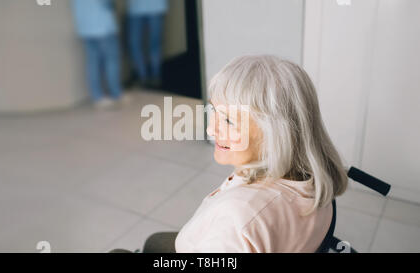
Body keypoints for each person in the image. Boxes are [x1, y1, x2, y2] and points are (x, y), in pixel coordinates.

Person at [110, 54, 348, 253]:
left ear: (277, 133)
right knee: (155, 242)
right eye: (214, 110)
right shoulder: (316, 173)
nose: (210, 129)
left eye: (228, 120)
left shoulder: (238, 221)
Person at [72, 0, 124, 108]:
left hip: (85, 27)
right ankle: (116, 94)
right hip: (102, 26)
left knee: (92, 63)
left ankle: (97, 97)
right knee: (111, 60)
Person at [127, 0, 168, 89]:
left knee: (154, 43)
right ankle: (143, 77)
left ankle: (155, 76)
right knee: (134, 43)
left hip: (155, 6)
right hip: (136, 7)